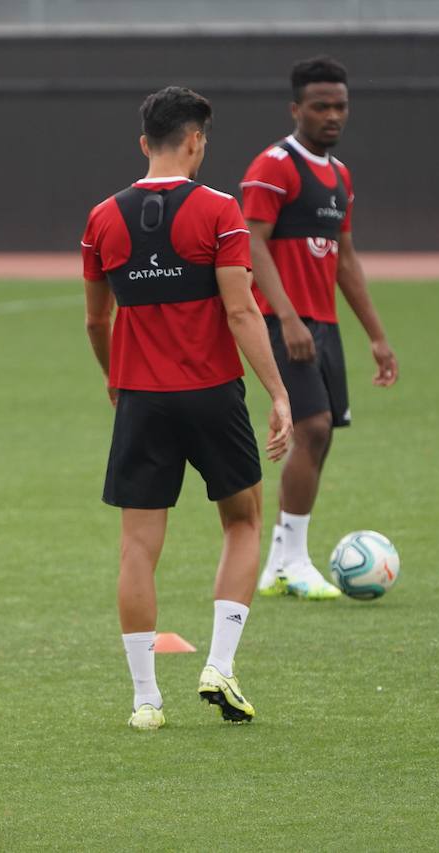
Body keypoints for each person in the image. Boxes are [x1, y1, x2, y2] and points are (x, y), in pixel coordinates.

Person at [82, 87, 293, 729]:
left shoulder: (102, 218)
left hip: (141, 400)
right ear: (197, 141)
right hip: (212, 394)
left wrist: (115, 379)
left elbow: (96, 321)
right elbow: (240, 310)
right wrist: (279, 393)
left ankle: (146, 700)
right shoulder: (220, 211)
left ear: (144, 143)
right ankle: (220, 665)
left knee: (137, 548)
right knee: (244, 521)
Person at [239, 55, 399, 600]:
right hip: (283, 321)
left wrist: (377, 336)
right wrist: (286, 316)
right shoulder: (274, 166)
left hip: (321, 324)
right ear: (296, 109)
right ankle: (291, 563)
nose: (332, 115)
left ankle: (282, 562)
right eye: (320, 106)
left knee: (322, 435)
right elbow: (252, 243)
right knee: (312, 429)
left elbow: (345, 260)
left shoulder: (339, 176)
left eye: (340, 106)